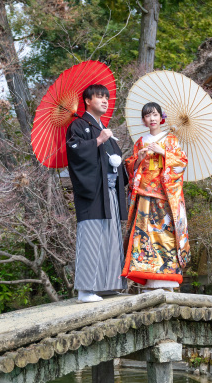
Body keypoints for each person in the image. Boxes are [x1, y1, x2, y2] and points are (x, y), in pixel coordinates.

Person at [66, 84, 129, 302]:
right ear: (87, 101)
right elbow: (74, 153)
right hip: (92, 192)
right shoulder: (78, 125)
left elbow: (115, 163)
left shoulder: (104, 128)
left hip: (109, 191)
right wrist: (98, 141)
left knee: (111, 236)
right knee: (92, 235)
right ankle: (85, 289)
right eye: (100, 97)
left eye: (107, 98)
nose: (105, 101)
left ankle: (107, 284)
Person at [122, 102, 190, 290]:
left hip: (164, 194)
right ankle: (147, 277)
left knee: (165, 234)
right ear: (143, 120)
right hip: (144, 192)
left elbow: (181, 164)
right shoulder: (140, 142)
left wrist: (164, 153)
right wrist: (140, 158)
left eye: (154, 115)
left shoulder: (171, 140)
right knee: (144, 234)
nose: (151, 118)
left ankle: (167, 278)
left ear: (161, 117)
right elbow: (131, 167)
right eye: (147, 116)